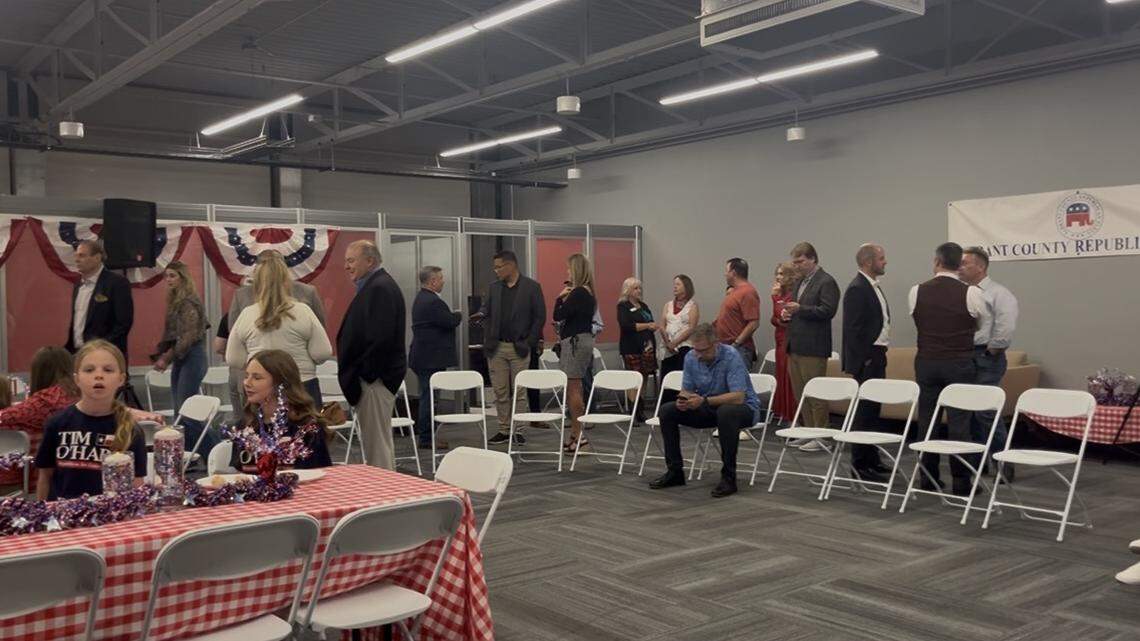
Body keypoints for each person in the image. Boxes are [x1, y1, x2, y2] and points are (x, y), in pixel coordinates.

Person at [909, 242, 990, 496]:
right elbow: (980, 323)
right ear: (959, 265)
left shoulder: (916, 291)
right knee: (959, 424)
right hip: (959, 363)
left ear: (936, 262)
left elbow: (916, 319)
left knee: (927, 421)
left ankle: (927, 477)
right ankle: (961, 481)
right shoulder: (972, 293)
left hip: (926, 362)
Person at [647, 323, 760, 498]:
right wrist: (683, 400)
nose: (698, 355)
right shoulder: (691, 357)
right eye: (696, 350)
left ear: (716, 344)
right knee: (667, 411)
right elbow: (687, 389)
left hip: (742, 409)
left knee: (726, 412)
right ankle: (675, 471)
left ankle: (729, 477)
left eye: (703, 350)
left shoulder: (731, 356)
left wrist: (704, 401)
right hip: (707, 406)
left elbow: (738, 397)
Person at [34, 340, 147, 500]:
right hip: (61, 518)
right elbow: (45, 477)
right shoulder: (57, 424)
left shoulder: (131, 430)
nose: (99, 375)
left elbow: (137, 485)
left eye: (108, 370)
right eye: (89, 370)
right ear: (77, 379)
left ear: (121, 379)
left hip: (110, 516)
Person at [226, 250, 327, 416]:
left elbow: (234, 359)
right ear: (287, 279)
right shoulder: (303, 311)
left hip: (262, 391)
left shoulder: (247, 314)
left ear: (257, 280)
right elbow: (322, 353)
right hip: (302, 386)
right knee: (306, 438)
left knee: (264, 439)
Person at [337, 240, 406, 470]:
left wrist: (365, 375)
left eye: (351, 260)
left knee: (377, 448)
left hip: (375, 382)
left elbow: (381, 339)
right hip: (373, 380)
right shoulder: (374, 285)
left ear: (370, 260)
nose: (347, 266)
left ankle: (385, 498)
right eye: (346, 261)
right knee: (377, 445)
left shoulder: (379, 288)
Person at [960, 246, 1020, 480]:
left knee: (985, 412)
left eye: (965, 263)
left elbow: (1006, 325)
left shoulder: (998, 293)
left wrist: (993, 349)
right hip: (964, 356)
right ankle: (978, 463)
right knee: (970, 412)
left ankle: (1004, 463)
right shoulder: (962, 292)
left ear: (981, 267)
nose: (960, 267)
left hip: (986, 356)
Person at [476, 250, 545, 446]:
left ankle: (519, 429)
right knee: (500, 391)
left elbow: (539, 317)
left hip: (519, 347)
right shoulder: (493, 287)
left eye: (499, 267)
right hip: (496, 346)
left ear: (511, 265)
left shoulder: (532, 287)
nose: (496, 271)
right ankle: (504, 429)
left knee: (519, 391)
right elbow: (486, 309)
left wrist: (530, 341)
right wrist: (480, 314)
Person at [228, 349, 332, 473]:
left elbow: (319, 474)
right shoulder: (245, 426)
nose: (247, 383)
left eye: (257, 378)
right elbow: (241, 476)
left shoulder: (306, 428)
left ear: (280, 383)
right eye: (246, 376)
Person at [782, 242, 840, 451]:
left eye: (800, 261)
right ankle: (808, 432)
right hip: (795, 344)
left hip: (814, 347)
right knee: (801, 393)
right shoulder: (799, 282)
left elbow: (827, 310)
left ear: (813, 259)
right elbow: (798, 310)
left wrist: (800, 309)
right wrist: (787, 313)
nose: (796, 266)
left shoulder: (826, 281)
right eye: (795, 262)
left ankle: (823, 436)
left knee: (816, 394)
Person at [841, 244, 891, 481]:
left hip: (877, 354)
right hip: (867, 358)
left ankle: (873, 459)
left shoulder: (871, 286)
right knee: (864, 412)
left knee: (873, 411)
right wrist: (865, 359)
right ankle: (860, 464)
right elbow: (853, 330)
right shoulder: (857, 288)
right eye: (882, 258)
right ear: (868, 262)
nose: (885, 262)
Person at [151, 261, 211, 453]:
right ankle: (189, 454)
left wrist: (166, 358)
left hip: (192, 357)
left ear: (183, 278)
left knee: (187, 412)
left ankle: (216, 447)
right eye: (166, 276)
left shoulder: (188, 302)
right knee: (180, 411)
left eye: (172, 276)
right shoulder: (176, 301)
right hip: (181, 357)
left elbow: (189, 336)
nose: (168, 280)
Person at [0, 348, 77, 490]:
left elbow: (6, 417)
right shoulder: (79, 395)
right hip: (75, 477)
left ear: (39, 372)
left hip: (38, 484)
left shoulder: (44, 401)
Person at [409, 265, 462, 450]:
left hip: (422, 357)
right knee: (429, 398)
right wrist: (458, 315)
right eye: (440, 278)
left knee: (427, 396)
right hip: (430, 358)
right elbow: (449, 321)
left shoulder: (420, 298)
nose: (443, 281)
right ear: (432, 282)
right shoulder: (433, 302)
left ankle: (427, 436)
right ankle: (426, 438)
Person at [553, 254, 598, 452]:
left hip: (575, 342)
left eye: (569, 269)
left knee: (573, 388)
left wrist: (560, 298)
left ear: (577, 270)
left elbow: (559, 315)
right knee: (575, 387)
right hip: (582, 341)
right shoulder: (588, 292)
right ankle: (575, 434)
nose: (567, 272)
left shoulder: (578, 292)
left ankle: (579, 436)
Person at [65, 239, 133, 360]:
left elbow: (123, 324)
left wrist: (97, 349)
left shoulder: (117, 283)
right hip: (78, 354)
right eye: (76, 256)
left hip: (106, 355)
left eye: (82, 255)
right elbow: (77, 322)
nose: (76, 260)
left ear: (97, 258)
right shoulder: (77, 285)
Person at [617, 277, 657, 421]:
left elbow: (651, 320)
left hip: (647, 346)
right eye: (635, 288)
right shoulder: (623, 306)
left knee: (644, 375)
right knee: (633, 376)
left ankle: (641, 407)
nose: (638, 291)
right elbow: (627, 325)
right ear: (628, 290)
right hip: (631, 347)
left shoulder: (644, 306)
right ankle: (633, 410)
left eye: (639, 288)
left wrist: (652, 326)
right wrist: (647, 326)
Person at [714, 258, 761, 370]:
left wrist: (736, 343)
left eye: (727, 271)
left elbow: (754, 322)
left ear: (733, 273)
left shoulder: (748, 292)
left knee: (738, 385)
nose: (725, 274)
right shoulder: (735, 291)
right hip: (726, 347)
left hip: (738, 350)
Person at [659, 274, 698, 407]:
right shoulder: (668, 305)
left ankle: (682, 406)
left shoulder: (692, 306)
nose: (674, 287)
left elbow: (692, 328)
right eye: (674, 284)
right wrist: (668, 343)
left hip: (684, 347)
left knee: (681, 378)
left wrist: (675, 343)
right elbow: (662, 325)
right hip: (668, 348)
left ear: (686, 287)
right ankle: (665, 406)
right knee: (667, 377)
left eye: (678, 284)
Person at [770, 262, 797, 423]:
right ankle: (784, 413)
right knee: (781, 375)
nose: (778, 277)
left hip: (788, 341)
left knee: (788, 378)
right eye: (777, 274)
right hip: (779, 340)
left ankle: (792, 415)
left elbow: (783, 316)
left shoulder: (790, 296)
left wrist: (775, 298)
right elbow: (774, 318)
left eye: (781, 274)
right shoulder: (780, 294)